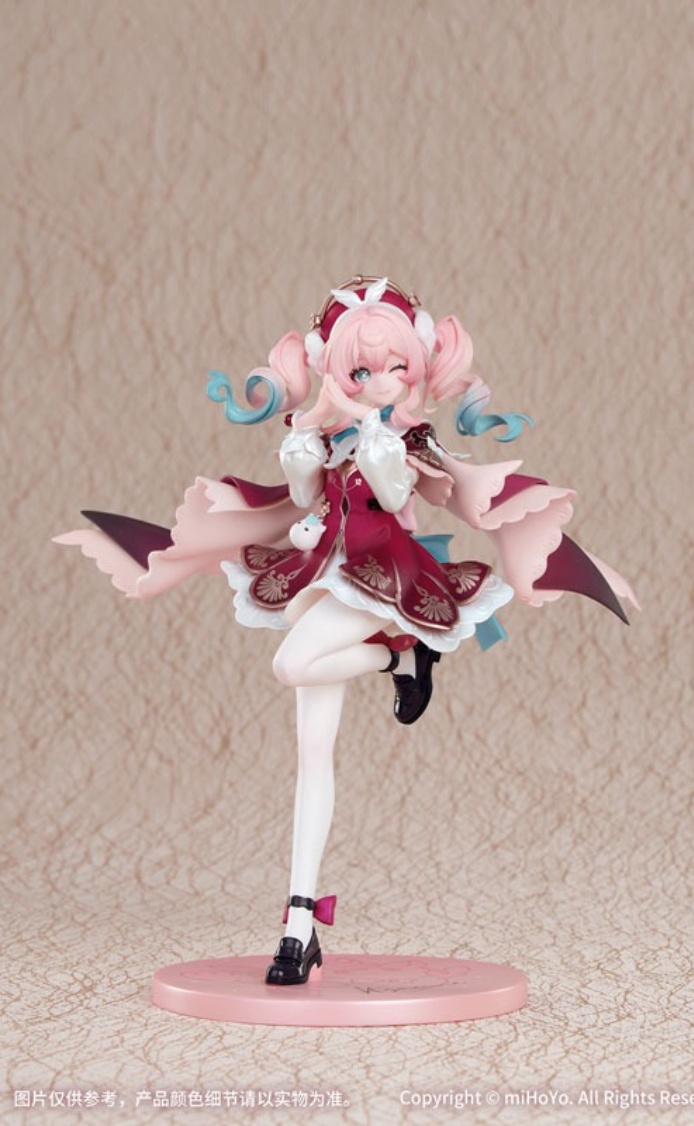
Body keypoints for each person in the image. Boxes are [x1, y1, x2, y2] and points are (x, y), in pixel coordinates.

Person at [56, 276, 637, 985]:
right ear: (333, 370)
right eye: (362, 370)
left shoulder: (409, 437)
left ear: (417, 369)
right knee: (312, 754)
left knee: (290, 664)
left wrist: (382, 452)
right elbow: (307, 498)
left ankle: (401, 656)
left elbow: (393, 496)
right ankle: (299, 923)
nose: (381, 382)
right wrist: (305, 457)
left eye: (396, 368)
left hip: (382, 578)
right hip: (319, 572)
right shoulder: (327, 433)